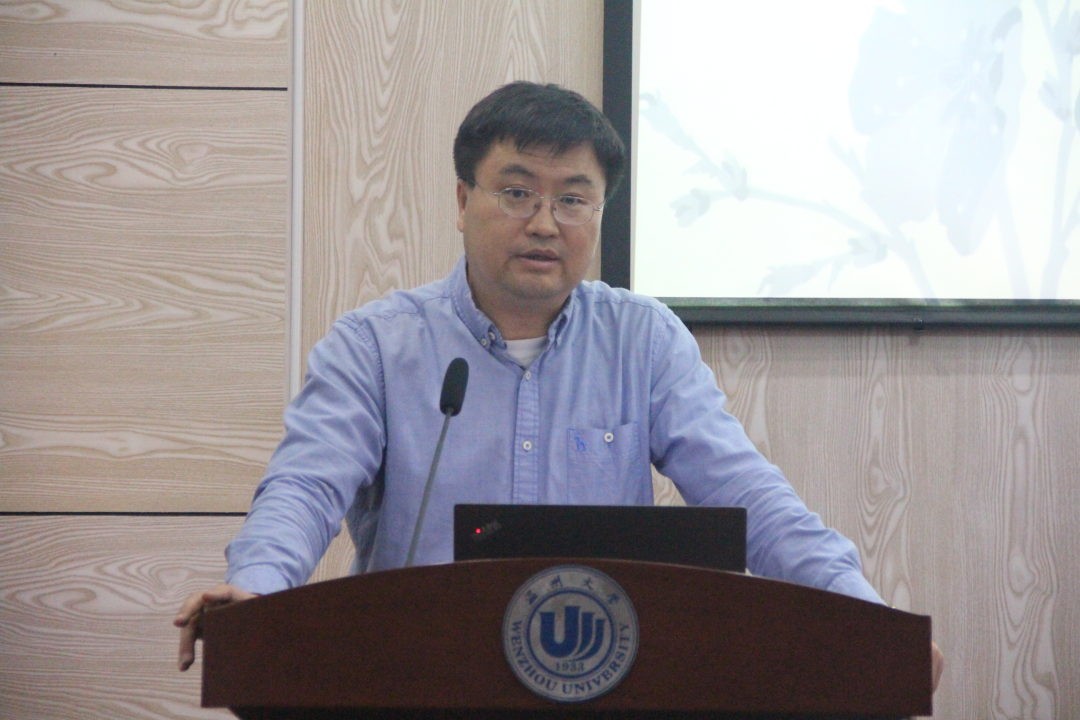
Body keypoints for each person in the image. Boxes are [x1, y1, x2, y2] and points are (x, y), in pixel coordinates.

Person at [176, 81, 944, 690]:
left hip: (605, 684)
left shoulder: (642, 341)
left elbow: (748, 497)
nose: (545, 223)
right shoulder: (376, 345)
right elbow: (305, 486)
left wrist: (863, 615)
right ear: (462, 202)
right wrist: (257, 593)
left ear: (598, 213)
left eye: (573, 199)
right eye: (517, 193)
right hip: (418, 681)